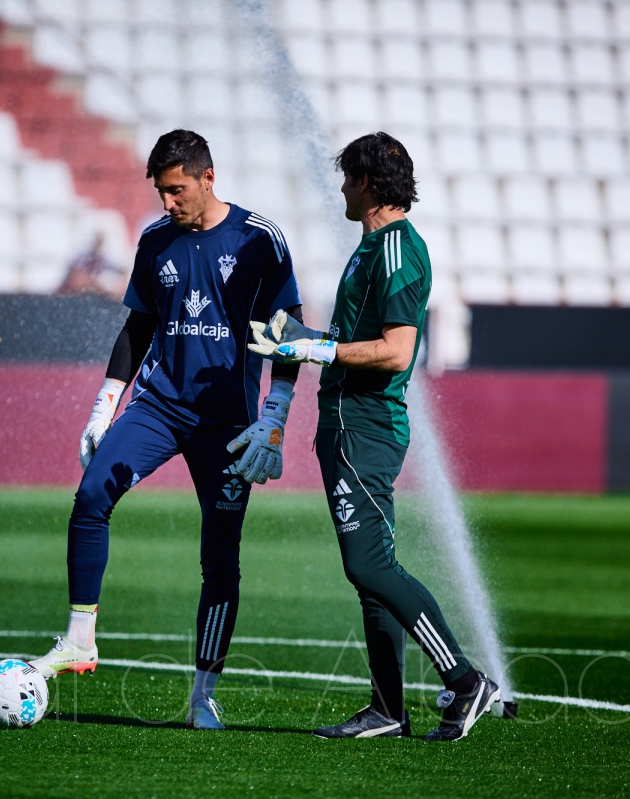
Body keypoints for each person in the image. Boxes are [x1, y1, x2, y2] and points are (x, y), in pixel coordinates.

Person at [30, 129, 303, 730]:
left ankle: (204, 694)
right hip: (156, 407)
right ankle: (79, 639)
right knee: (90, 497)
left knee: (220, 559)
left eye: (177, 189)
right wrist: (104, 406)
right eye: (160, 191)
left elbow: (290, 334)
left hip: (228, 425)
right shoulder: (156, 240)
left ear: (208, 177)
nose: (167, 201)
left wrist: (275, 417)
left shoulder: (260, 238)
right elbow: (138, 328)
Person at [249, 132, 499, 741]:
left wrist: (315, 350)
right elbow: (350, 341)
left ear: (365, 182)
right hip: (348, 424)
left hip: (365, 426)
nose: (340, 188)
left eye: (347, 178)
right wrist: (300, 337)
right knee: (369, 573)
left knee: (369, 564)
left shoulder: (395, 249)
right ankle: (388, 708)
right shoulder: (372, 249)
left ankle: (465, 679)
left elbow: (395, 352)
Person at [55, 230, 128, 298]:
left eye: (99, 243)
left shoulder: (103, 259)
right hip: (75, 292)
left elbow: (119, 269)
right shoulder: (82, 257)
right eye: (97, 242)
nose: (97, 245)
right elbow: (76, 274)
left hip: (92, 291)